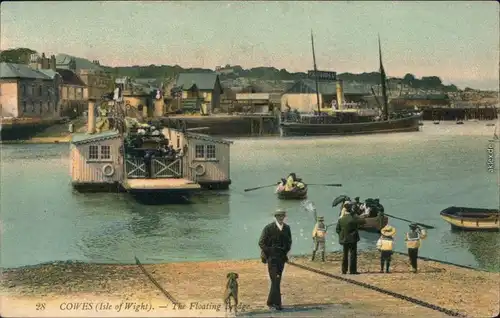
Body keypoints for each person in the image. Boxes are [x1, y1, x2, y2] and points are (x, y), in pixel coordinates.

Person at [258, 209, 292, 311]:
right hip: (271, 259)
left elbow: (289, 243)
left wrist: (284, 252)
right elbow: (261, 243)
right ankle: (277, 303)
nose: (281, 218)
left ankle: (270, 301)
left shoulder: (287, 228)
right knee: (276, 280)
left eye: (282, 216)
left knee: (276, 280)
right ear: (275, 217)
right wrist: (270, 252)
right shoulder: (268, 228)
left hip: (281, 259)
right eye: (279, 216)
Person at [336, 208, 366, 274]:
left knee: (345, 255)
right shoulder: (353, 218)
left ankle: (344, 270)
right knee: (353, 255)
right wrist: (355, 215)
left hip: (344, 239)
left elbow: (337, 230)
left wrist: (342, 235)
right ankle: (352, 270)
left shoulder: (341, 219)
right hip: (353, 239)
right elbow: (363, 221)